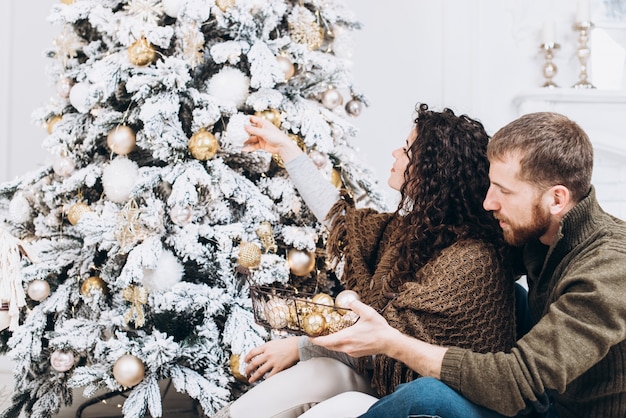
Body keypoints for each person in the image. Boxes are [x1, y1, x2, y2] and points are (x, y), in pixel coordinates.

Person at [310, 111, 626, 418]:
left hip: (564, 406)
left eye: (503, 191)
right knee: (499, 286)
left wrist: (393, 343)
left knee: (424, 395)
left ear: (556, 199)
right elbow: (377, 225)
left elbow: (517, 380)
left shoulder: (610, 267)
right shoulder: (535, 227)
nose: (489, 202)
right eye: (491, 185)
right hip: (547, 395)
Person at [214, 104, 518, 417]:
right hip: (396, 388)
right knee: (321, 372)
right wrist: (285, 147)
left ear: (433, 169)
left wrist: (300, 346)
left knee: (348, 403)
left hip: (443, 405)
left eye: (406, 149)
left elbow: (386, 341)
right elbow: (342, 221)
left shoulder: (472, 260)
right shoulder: (418, 232)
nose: (395, 154)